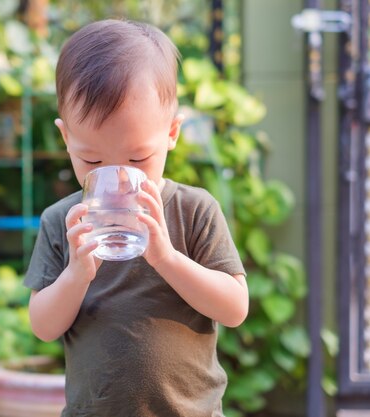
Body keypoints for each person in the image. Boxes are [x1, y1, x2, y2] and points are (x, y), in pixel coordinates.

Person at [23, 19, 249, 417]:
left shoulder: (194, 210)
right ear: (66, 139)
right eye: (92, 159)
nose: (118, 175)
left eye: (137, 158)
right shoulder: (64, 221)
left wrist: (167, 258)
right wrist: (76, 273)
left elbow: (234, 308)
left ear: (172, 133)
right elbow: (43, 326)